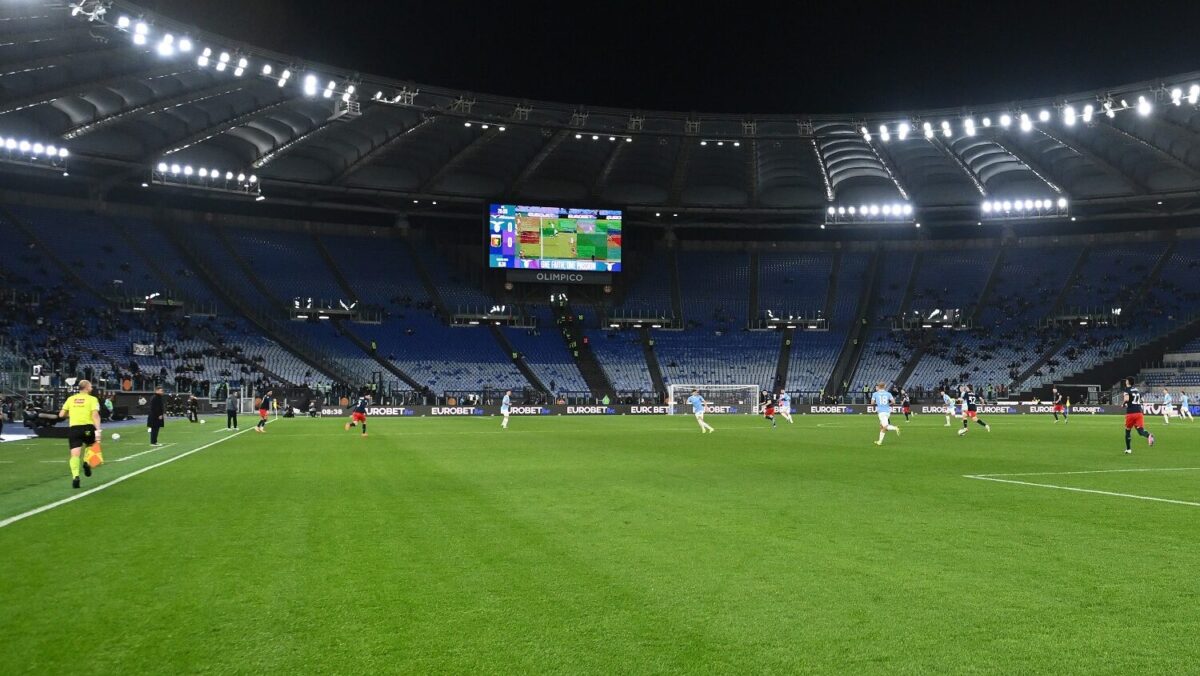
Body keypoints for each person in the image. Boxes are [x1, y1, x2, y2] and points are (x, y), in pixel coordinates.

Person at [58, 380, 103, 489]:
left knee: (74, 455)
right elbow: (95, 415)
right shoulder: (92, 399)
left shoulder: (71, 399)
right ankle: (87, 462)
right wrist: (98, 430)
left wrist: (72, 414)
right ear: (86, 387)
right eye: (91, 386)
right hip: (87, 427)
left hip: (74, 428)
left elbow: (61, 414)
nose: (92, 388)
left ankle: (75, 477)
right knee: (91, 445)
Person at [1122, 378, 1155, 454]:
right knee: (1140, 431)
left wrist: (1123, 404)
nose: (1125, 381)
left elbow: (1126, 399)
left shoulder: (1127, 390)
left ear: (1128, 382)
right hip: (1139, 413)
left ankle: (1128, 449)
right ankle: (1148, 435)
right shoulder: (1136, 390)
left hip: (1131, 413)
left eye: (1126, 380)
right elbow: (1142, 400)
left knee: (1127, 431)